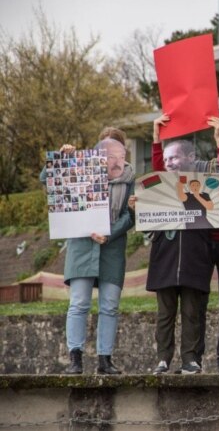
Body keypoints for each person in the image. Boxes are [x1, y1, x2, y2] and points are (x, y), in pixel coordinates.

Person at [135, 117, 219, 375]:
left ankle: (191, 359)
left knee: (192, 314)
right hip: (164, 259)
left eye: (174, 158)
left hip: (194, 259)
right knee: (165, 316)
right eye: (166, 160)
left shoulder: (206, 185)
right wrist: (138, 208)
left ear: (190, 157)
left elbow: (218, 226)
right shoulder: (157, 188)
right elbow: (146, 225)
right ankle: (163, 359)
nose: (169, 164)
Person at [44, 138, 134, 375]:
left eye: (119, 155)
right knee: (79, 303)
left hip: (112, 250)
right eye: (109, 155)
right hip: (81, 247)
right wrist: (63, 157)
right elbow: (47, 180)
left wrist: (110, 234)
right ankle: (76, 359)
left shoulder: (129, 181)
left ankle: (105, 360)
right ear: (99, 156)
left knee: (110, 306)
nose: (115, 160)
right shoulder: (77, 168)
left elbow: (130, 215)